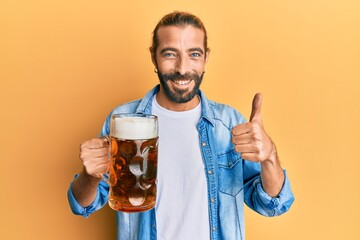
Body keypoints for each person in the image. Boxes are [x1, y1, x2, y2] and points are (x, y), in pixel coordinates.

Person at [67, 11, 294, 240]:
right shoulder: (122, 120)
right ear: (153, 57)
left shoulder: (229, 124)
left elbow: (272, 204)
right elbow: (84, 204)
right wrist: (90, 176)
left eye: (194, 54)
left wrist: (269, 157)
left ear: (206, 58)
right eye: (169, 54)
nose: (182, 68)